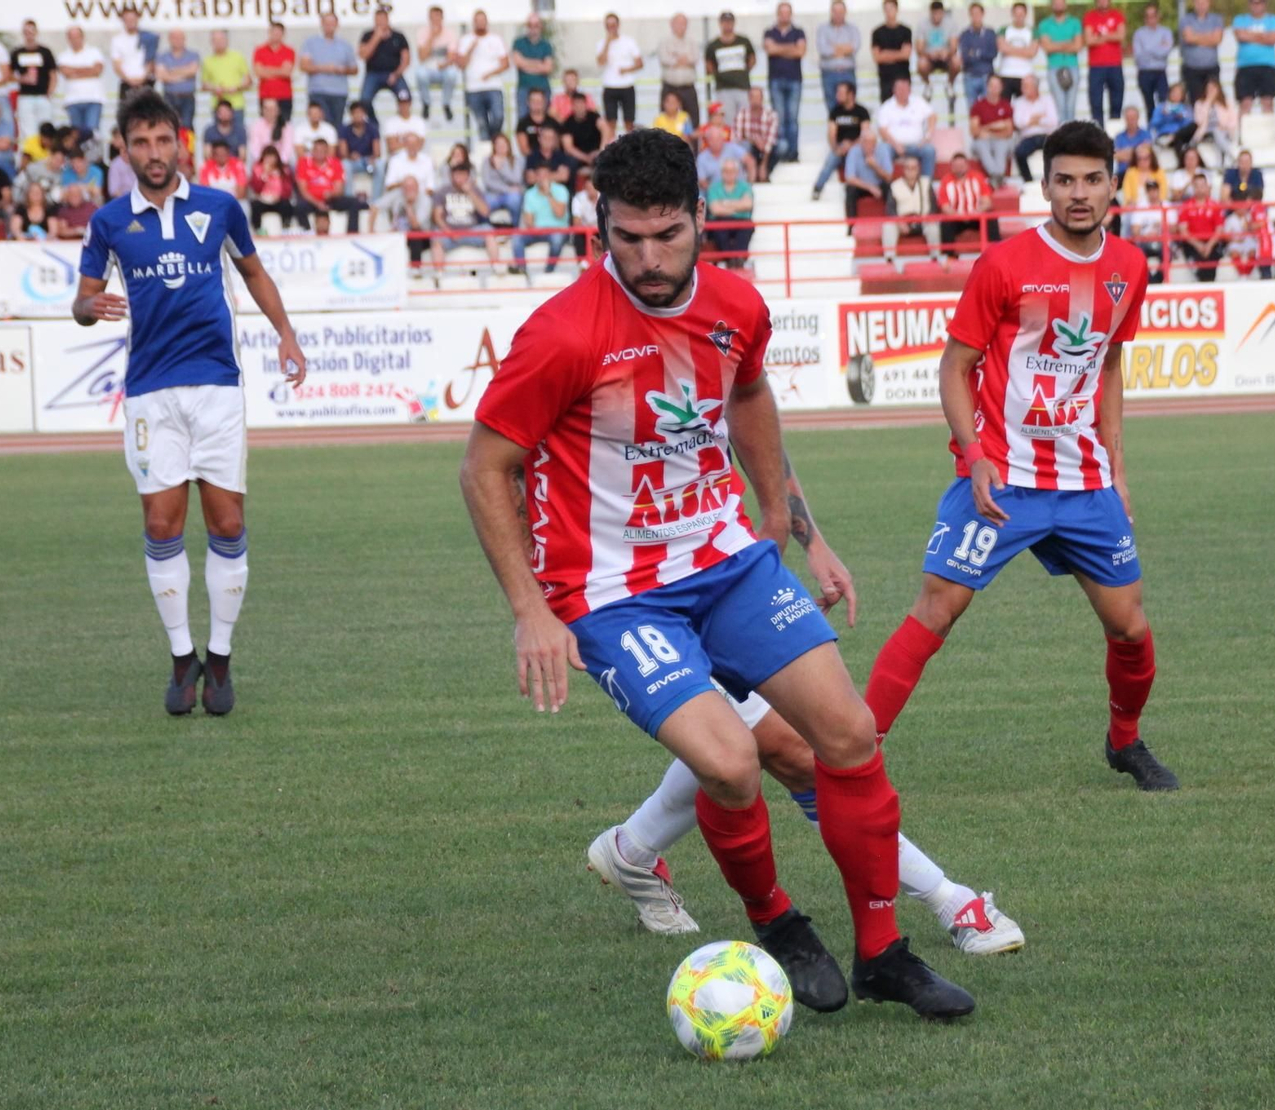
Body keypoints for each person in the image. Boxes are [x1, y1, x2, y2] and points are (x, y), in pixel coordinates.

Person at [462, 125, 978, 1021]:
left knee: (849, 736)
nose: (649, 259)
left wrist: (788, 519)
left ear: (701, 218)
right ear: (599, 227)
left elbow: (748, 394)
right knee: (733, 764)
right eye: (628, 238)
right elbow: (484, 467)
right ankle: (778, 922)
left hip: (727, 560)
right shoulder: (562, 334)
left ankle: (883, 953)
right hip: (615, 596)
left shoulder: (737, 305)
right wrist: (529, 610)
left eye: (667, 235)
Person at [588, 462, 1025, 957]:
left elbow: (759, 441)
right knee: (790, 752)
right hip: (627, 596)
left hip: (723, 572)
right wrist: (538, 605)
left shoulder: (717, 407)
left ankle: (632, 848)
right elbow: (518, 466)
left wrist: (811, 542)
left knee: (742, 745)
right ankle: (948, 900)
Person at [865, 120, 1174, 796]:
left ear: (1113, 185)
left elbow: (1109, 365)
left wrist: (1119, 470)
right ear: (1045, 187)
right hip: (1002, 477)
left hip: (1084, 480)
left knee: (1130, 626)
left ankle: (1124, 741)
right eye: (1065, 180)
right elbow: (954, 367)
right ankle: (854, 753)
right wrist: (973, 454)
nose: (1079, 193)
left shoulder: (1129, 266)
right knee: (936, 609)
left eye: (1092, 179)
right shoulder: (1003, 264)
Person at [72, 91, 303, 717]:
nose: (153, 152)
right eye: (140, 142)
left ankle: (220, 658)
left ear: (180, 143)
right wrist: (88, 306)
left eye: (162, 140)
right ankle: (182, 658)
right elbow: (82, 300)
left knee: (226, 523)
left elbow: (253, 272)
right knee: (160, 526)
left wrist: (285, 332)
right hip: (151, 391)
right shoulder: (108, 222)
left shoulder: (219, 207)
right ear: (124, 149)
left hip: (217, 386)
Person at [430, 161, 503, 277]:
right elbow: (437, 217)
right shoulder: (442, 191)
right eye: (457, 174)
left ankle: (496, 266)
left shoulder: (475, 190)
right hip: (450, 232)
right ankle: (439, 274)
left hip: (471, 231)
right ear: (451, 175)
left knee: (488, 230)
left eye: (462, 174)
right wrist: (449, 232)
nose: (459, 178)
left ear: (468, 176)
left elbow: (485, 212)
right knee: (436, 237)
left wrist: (470, 192)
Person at [455, 9, 509, 142]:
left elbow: (505, 64)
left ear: (487, 22)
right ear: (473, 22)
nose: (480, 23)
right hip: (474, 89)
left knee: (498, 117)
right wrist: (470, 49)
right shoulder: (466, 40)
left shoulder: (495, 39)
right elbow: (461, 64)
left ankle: (494, 140)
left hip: (493, 86)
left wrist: (489, 74)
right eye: (477, 21)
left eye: (482, 20)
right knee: (481, 124)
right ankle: (488, 146)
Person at [763, 3, 806, 162]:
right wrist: (791, 48)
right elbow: (770, 49)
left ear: (791, 14)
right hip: (775, 80)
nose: (784, 15)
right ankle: (782, 152)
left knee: (792, 119)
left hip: (794, 80)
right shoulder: (769, 32)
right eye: (782, 12)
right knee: (779, 119)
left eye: (787, 12)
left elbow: (800, 51)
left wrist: (779, 48)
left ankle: (793, 153)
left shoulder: (799, 31)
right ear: (777, 14)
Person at [300, 13, 357, 130]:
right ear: (321, 24)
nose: (329, 26)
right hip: (318, 91)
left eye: (332, 23)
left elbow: (354, 69)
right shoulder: (311, 43)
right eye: (326, 23)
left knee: (337, 126)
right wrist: (325, 68)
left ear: (337, 25)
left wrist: (342, 70)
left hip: (339, 93)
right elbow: (304, 66)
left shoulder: (345, 45)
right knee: (321, 125)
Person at [882, 153, 941, 267]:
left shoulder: (926, 183)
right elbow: (890, 209)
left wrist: (928, 218)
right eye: (908, 168)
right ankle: (889, 260)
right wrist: (899, 222)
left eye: (914, 168)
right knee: (888, 226)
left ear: (918, 169)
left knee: (933, 226)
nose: (911, 171)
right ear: (903, 170)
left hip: (923, 220)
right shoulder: (895, 185)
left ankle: (935, 258)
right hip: (903, 221)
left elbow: (933, 206)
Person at [814, 80, 869, 200]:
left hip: (857, 146)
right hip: (840, 147)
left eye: (841, 92)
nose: (837, 95)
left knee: (859, 156)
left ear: (851, 94)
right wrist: (836, 148)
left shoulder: (862, 111)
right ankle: (817, 188)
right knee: (831, 160)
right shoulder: (835, 111)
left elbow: (865, 134)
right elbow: (831, 134)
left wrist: (851, 145)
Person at [295, 135, 363, 232]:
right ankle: (307, 234)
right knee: (299, 207)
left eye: (322, 151)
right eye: (317, 150)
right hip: (312, 200)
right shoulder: (303, 163)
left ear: (327, 152)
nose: (319, 153)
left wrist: (331, 194)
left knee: (354, 203)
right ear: (312, 151)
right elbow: (303, 191)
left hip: (330, 199)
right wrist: (317, 203)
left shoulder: (335, 163)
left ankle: (351, 234)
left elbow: (339, 189)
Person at [936, 149, 1000, 251]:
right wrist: (958, 215)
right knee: (945, 222)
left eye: (961, 165)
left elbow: (987, 202)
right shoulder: (946, 181)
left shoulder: (977, 177)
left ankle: (996, 251)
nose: (959, 168)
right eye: (956, 166)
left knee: (991, 217)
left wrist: (976, 212)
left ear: (967, 165)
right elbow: (945, 207)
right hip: (956, 218)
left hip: (976, 216)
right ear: (951, 167)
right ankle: (950, 255)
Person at [358, 6, 411, 122]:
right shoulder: (367, 35)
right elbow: (363, 55)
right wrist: (376, 37)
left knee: (405, 97)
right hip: (373, 74)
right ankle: (374, 123)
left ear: (388, 20)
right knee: (364, 100)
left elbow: (406, 60)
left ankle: (399, 122)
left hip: (394, 74)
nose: (380, 23)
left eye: (382, 20)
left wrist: (396, 74)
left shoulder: (399, 36)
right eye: (377, 20)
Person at [878, 76, 938, 178]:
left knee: (929, 150)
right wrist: (896, 145)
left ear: (910, 90)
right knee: (883, 149)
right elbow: (882, 131)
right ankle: (887, 181)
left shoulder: (918, 102)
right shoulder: (886, 107)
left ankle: (926, 183)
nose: (903, 92)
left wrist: (928, 136)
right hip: (894, 146)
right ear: (894, 90)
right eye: (900, 89)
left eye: (905, 89)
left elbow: (932, 116)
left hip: (917, 145)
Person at [512, 172, 571, 273]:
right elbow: (529, 222)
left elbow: (560, 213)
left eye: (545, 175)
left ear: (550, 176)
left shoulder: (561, 190)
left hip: (558, 230)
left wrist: (548, 193)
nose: (542, 179)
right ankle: (522, 270)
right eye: (539, 175)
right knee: (517, 237)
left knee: (557, 238)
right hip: (538, 231)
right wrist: (533, 227)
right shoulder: (530, 193)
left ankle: (549, 271)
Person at [596, 13, 644, 135]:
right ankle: (612, 144)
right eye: (608, 25)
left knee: (629, 122)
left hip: (627, 85)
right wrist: (607, 43)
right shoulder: (601, 43)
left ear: (618, 25)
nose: (611, 28)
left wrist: (627, 70)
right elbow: (601, 62)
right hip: (609, 85)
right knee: (611, 122)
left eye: (613, 25)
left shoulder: (629, 42)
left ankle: (629, 144)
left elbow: (640, 63)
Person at [707, 12, 756, 127]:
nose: (727, 25)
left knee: (745, 120)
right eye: (725, 22)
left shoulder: (744, 41)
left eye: (729, 22)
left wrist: (744, 72)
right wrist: (717, 75)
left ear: (734, 23)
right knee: (727, 121)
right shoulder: (714, 45)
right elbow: (709, 64)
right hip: (723, 88)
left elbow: (752, 58)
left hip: (742, 87)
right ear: (720, 24)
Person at [1037, 0, 1083, 123]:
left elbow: (1078, 46)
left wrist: (1055, 45)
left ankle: (1071, 132)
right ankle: (1062, 133)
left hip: (1072, 66)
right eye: (1056, 3)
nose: (1058, 5)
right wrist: (1068, 43)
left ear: (1065, 4)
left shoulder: (1075, 22)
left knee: (1071, 106)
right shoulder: (1044, 24)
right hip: (1054, 67)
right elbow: (1047, 47)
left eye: (1060, 2)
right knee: (1059, 106)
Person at [1232, 0, 1275, 114]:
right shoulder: (1240, 19)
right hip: (1245, 66)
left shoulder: (1273, 19)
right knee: (1245, 103)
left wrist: (1249, 35)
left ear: (1265, 4)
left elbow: (1273, 39)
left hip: (1267, 65)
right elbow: (1240, 35)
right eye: (1253, 3)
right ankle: (1244, 126)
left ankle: (1268, 126)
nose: (1256, 6)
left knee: (1267, 102)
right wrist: (1264, 36)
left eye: (1259, 3)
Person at [12, 21, 60, 141]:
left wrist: (50, 92)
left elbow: (53, 74)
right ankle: (31, 151)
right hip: (25, 96)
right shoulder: (17, 52)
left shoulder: (45, 52)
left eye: (31, 32)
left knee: (45, 129)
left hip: (42, 96)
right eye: (26, 32)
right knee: (27, 131)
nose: (29, 35)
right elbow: (9, 75)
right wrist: (22, 79)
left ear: (36, 32)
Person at [705, 155, 755, 265]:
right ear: (722, 172)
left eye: (732, 171)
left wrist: (725, 203)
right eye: (726, 171)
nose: (729, 174)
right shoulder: (714, 187)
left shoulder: (745, 186)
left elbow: (748, 204)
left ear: (737, 172)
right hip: (720, 220)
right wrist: (738, 207)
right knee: (719, 229)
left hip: (741, 221)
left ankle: (739, 258)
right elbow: (715, 209)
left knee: (748, 227)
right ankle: (730, 259)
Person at [58, 27, 106, 135]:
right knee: (76, 135)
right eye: (72, 37)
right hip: (73, 100)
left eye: (77, 36)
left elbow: (97, 71)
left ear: (83, 37)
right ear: (68, 39)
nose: (75, 40)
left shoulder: (94, 52)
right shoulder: (63, 55)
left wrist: (74, 70)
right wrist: (88, 70)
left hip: (93, 99)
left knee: (92, 133)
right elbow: (66, 72)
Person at [1083, 0, 1126, 121]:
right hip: (1096, 66)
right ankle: (1098, 130)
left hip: (1115, 65)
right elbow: (1088, 40)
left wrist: (1101, 36)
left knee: (1117, 102)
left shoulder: (1117, 15)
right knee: (1096, 103)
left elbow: (1121, 36)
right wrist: (1111, 35)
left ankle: (1115, 129)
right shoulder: (1090, 16)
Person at [1180, 78, 1237, 167]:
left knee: (1218, 133)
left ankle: (1223, 161)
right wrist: (1208, 102)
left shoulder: (1226, 102)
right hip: (1205, 131)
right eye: (1209, 88)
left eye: (1213, 88)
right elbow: (1199, 121)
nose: (1211, 91)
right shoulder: (1199, 103)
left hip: (1224, 131)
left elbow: (1233, 120)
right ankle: (1231, 156)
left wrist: (1225, 127)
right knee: (1215, 132)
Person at [816, 2, 861, 115]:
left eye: (841, 11)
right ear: (831, 12)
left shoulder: (853, 29)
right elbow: (824, 50)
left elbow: (854, 47)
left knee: (850, 107)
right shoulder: (822, 29)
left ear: (845, 12)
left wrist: (833, 47)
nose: (838, 14)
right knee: (832, 109)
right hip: (829, 73)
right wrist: (844, 48)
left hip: (848, 72)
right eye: (835, 11)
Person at [1177, 170, 1224, 280]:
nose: (1200, 189)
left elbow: (1219, 229)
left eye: (1202, 185)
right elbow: (1183, 231)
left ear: (1207, 187)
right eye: (1197, 186)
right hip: (1192, 245)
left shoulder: (1214, 205)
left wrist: (1209, 246)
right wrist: (1198, 245)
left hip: (1211, 243)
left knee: (1211, 262)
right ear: (1193, 188)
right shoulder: (1186, 206)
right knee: (1199, 267)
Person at [968, 75, 1013, 186]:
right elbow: (974, 132)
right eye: (991, 85)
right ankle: (998, 175)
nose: (994, 88)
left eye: (996, 86)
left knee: (1002, 145)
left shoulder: (1006, 105)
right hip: (984, 141)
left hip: (999, 140)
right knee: (981, 145)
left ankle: (996, 176)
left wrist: (986, 129)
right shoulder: (978, 105)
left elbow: (1008, 132)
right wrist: (996, 126)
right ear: (987, 87)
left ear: (1001, 88)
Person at [844, 122, 894, 222]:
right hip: (862, 186)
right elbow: (850, 178)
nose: (869, 146)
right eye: (866, 143)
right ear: (861, 142)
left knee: (890, 188)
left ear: (876, 143)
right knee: (850, 189)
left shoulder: (882, 150)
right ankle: (852, 225)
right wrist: (870, 187)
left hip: (879, 185)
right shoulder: (854, 151)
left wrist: (875, 166)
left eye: (872, 143)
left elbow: (889, 177)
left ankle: (892, 220)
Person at [416, 6, 459, 121]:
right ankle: (426, 103)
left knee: (452, 74)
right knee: (420, 74)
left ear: (442, 18)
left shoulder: (450, 33)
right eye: (433, 17)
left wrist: (443, 65)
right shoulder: (422, 32)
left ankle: (446, 103)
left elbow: (452, 56)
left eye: (437, 17)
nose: (435, 20)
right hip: (428, 69)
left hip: (444, 68)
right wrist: (432, 37)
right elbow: (422, 57)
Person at [658, 14, 703, 125]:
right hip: (670, 87)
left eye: (683, 23)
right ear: (671, 24)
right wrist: (681, 60)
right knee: (666, 120)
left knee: (693, 120)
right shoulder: (664, 41)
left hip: (688, 87)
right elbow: (664, 59)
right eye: (678, 23)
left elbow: (695, 58)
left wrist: (675, 58)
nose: (680, 26)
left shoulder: (692, 41)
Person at [512, 11, 556, 124]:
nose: (533, 28)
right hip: (524, 88)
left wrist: (526, 63)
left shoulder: (546, 45)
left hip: (543, 88)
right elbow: (518, 63)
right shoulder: (518, 43)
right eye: (530, 25)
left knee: (545, 122)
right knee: (523, 121)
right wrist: (539, 63)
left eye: (536, 25)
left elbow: (548, 68)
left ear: (540, 26)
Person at [1132, 4, 1173, 121]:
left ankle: (1163, 126)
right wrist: (1158, 47)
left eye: (1153, 15)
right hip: (1144, 72)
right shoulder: (1139, 33)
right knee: (1149, 104)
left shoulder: (1166, 32)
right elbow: (1139, 56)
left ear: (1158, 16)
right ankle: (1151, 127)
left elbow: (1165, 52)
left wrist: (1147, 49)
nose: (1151, 19)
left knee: (1163, 102)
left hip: (1160, 72)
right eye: (1148, 16)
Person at [1012, 73, 1056, 182]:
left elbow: (1053, 121)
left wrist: (1034, 120)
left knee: (1057, 152)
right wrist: (1039, 117)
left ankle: (1053, 179)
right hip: (1028, 137)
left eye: (1026, 86)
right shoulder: (1018, 102)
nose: (1022, 88)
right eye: (1023, 85)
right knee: (1019, 153)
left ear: (1035, 87)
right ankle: (1028, 181)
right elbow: (1018, 123)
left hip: (1046, 135)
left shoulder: (1047, 99)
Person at [1179, 0, 1225, 104]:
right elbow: (1188, 38)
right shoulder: (1186, 20)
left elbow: (1217, 39)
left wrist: (1196, 37)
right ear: (1194, 3)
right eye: (1198, 3)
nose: (1201, 6)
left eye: (1204, 3)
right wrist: (1209, 37)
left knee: (1214, 101)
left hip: (1211, 67)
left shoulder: (1216, 19)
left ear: (1209, 3)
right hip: (1191, 68)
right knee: (1195, 101)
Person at [252, 22, 296, 129]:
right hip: (266, 95)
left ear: (283, 34)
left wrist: (267, 69)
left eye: (278, 32)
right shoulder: (259, 50)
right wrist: (280, 70)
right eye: (273, 32)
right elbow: (259, 72)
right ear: (269, 33)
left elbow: (287, 72)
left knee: (284, 127)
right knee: (266, 128)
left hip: (284, 96)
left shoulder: (289, 51)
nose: (276, 35)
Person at [110, 5, 158, 102]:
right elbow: (117, 64)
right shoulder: (117, 40)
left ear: (137, 19)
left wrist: (142, 79)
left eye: (132, 19)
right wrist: (129, 80)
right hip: (127, 84)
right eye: (127, 19)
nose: (130, 22)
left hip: (146, 83)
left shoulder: (148, 38)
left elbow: (151, 61)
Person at [1124, 177, 1169, 281]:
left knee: (1167, 253)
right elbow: (1135, 230)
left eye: (1154, 190)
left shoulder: (1167, 205)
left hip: (1162, 241)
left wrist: (1159, 231)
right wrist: (1146, 236)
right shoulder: (1141, 206)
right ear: (1147, 192)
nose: (1153, 193)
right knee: (1138, 253)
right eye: (1150, 190)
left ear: (1159, 190)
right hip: (1144, 241)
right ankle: (1149, 280)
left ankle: (1156, 280)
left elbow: (1174, 228)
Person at [872, 0, 916, 104]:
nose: (889, 12)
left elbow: (906, 55)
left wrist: (886, 53)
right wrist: (898, 53)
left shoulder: (906, 31)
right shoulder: (877, 33)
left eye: (891, 8)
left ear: (897, 9)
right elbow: (877, 57)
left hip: (903, 76)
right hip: (885, 79)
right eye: (886, 9)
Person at [916, 2, 960, 105]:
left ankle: (949, 84)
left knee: (957, 61)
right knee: (921, 63)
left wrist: (947, 53)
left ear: (943, 13)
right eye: (934, 14)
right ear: (930, 13)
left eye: (939, 14)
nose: (936, 17)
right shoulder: (922, 25)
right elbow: (919, 49)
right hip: (929, 58)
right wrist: (929, 54)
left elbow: (954, 47)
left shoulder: (951, 24)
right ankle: (928, 85)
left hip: (946, 57)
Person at [338, 99, 383, 199]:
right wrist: (351, 156)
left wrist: (372, 158)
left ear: (364, 114)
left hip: (368, 162)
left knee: (380, 165)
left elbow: (377, 152)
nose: (358, 115)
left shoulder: (372, 128)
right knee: (345, 165)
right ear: (351, 115)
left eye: (360, 112)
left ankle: (376, 200)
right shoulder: (344, 129)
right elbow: (343, 152)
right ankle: (349, 199)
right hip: (353, 162)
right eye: (355, 113)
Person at [955, 4, 996, 112]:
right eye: (973, 14)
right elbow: (965, 56)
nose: (976, 16)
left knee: (988, 110)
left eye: (978, 13)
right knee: (972, 110)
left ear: (983, 14)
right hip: (970, 75)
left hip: (986, 75)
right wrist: (982, 53)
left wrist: (975, 53)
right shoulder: (964, 34)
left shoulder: (990, 33)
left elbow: (992, 54)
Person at [735, 87, 781, 182]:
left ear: (762, 98)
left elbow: (770, 140)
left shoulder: (771, 114)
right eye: (753, 97)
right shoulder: (741, 113)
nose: (755, 100)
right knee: (744, 145)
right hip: (750, 149)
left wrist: (763, 164)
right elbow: (738, 138)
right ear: (749, 99)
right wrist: (755, 140)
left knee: (782, 147)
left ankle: (764, 171)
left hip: (766, 150)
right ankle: (752, 172)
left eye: (758, 97)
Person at [561, 93, 610, 175]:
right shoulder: (568, 123)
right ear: (572, 106)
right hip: (579, 156)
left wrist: (601, 150)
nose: (579, 107)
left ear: (585, 104)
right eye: (576, 105)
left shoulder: (594, 117)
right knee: (570, 162)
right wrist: (586, 158)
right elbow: (568, 147)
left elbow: (605, 129)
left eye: (581, 104)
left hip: (596, 152)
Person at [249, 144, 295, 230]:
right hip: (262, 200)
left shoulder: (285, 170)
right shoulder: (257, 169)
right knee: (255, 206)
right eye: (267, 157)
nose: (270, 160)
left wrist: (279, 196)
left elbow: (288, 190)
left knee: (286, 205)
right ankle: (257, 229)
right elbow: (256, 189)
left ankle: (285, 228)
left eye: (272, 157)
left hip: (279, 199)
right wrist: (265, 174)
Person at [695, 123, 755, 190]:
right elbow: (702, 181)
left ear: (722, 139)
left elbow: (750, 161)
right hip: (715, 192)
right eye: (712, 140)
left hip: (739, 190)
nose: (715, 143)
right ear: (707, 141)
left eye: (718, 139)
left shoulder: (733, 148)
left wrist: (749, 185)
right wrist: (715, 192)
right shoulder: (702, 157)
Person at [997, 3, 1037, 101]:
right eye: (1016, 14)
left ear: (1026, 14)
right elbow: (1002, 48)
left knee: (1024, 106)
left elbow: (1032, 52)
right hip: (1006, 74)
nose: (1019, 17)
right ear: (1012, 14)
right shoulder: (1004, 29)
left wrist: (1010, 49)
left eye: (1021, 14)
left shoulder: (1032, 31)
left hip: (1025, 75)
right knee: (1004, 105)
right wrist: (1024, 51)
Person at [483, 132, 525, 225]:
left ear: (508, 145)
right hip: (493, 194)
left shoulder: (515, 160)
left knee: (515, 199)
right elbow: (488, 182)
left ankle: (514, 227)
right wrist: (507, 189)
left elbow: (517, 179)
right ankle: (487, 228)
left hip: (511, 195)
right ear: (494, 146)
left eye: (503, 143)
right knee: (484, 203)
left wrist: (501, 169)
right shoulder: (487, 161)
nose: (501, 146)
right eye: (498, 144)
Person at [384, 126, 436, 197]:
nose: (412, 147)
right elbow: (389, 185)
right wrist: (406, 185)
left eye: (414, 144)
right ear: (405, 145)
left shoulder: (427, 160)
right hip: (400, 196)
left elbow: (431, 188)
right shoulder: (395, 160)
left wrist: (417, 196)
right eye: (410, 144)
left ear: (419, 145)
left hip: (421, 197)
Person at [1151, 81, 1195, 163]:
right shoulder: (1161, 107)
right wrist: (1164, 116)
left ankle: (1174, 136)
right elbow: (1154, 124)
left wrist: (1181, 118)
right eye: (1174, 92)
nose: (1175, 95)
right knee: (1178, 141)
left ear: (1182, 96)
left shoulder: (1186, 108)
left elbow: (1189, 125)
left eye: (1178, 93)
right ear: (1169, 93)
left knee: (1194, 126)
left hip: (1181, 134)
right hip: (1166, 135)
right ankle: (1182, 163)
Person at [247, 97, 294, 169]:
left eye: (272, 109)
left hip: (281, 165)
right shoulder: (256, 125)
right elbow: (255, 149)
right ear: (262, 110)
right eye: (266, 109)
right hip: (262, 165)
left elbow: (287, 150)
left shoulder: (286, 126)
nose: (269, 112)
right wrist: (264, 163)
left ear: (278, 110)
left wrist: (276, 164)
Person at [524, 123, 573, 190]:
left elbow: (564, 177)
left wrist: (539, 176)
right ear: (539, 139)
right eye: (545, 138)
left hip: (557, 191)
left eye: (551, 138)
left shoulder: (561, 156)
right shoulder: (532, 156)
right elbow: (530, 179)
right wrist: (556, 175)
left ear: (555, 140)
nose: (548, 141)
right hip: (537, 191)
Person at [289, 101, 336, 167]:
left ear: (321, 114)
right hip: (305, 161)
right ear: (308, 114)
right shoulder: (300, 129)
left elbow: (331, 152)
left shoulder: (330, 129)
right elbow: (299, 153)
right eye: (312, 113)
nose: (315, 116)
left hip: (324, 161)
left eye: (316, 113)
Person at [516, 88, 561, 158]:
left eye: (539, 101)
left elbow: (557, 146)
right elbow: (524, 149)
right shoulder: (523, 124)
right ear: (528, 102)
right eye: (533, 101)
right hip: (532, 159)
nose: (536, 104)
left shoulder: (553, 122)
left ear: (545, 102)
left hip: (553, 160)